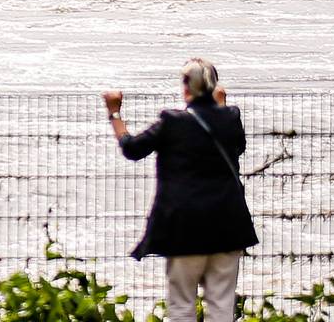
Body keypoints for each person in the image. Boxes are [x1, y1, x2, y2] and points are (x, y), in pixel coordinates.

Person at [108, 58, 257, 322]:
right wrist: (220, 105)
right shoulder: (231, 118)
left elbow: (132, 148)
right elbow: (235, 145)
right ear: (214, 87)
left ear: (186, 88)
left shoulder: (172, 123)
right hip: (228, 225)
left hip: (185, 227)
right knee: (222, 307)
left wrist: (114, 113)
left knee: (181, 306)